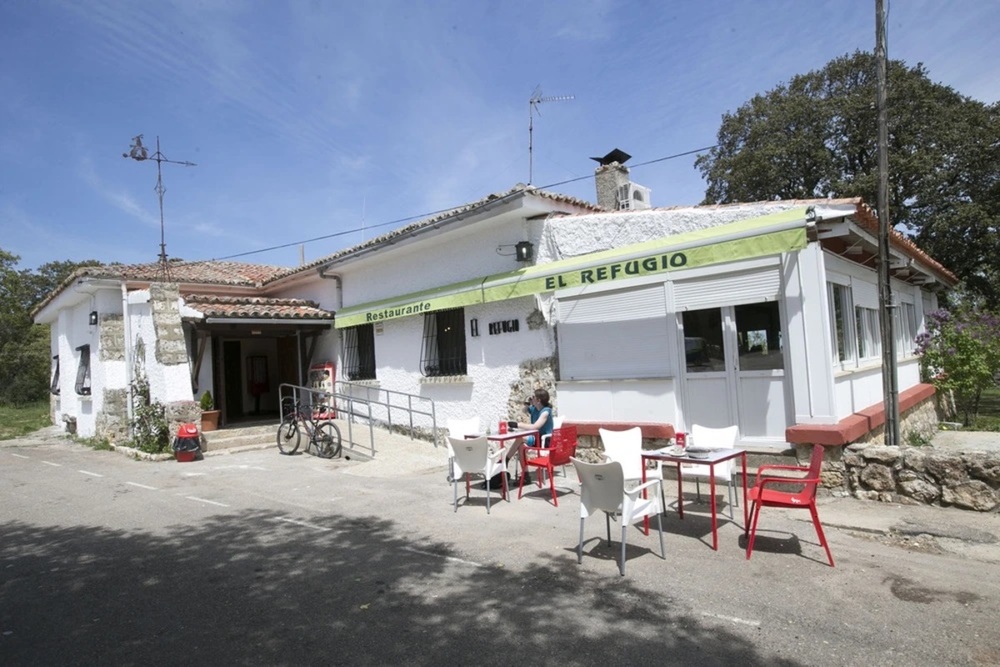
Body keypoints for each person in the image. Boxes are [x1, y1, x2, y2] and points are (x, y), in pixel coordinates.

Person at [507, 388, 554, 484]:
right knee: (521, 446)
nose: (532, 398)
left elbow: (535, 427)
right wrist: (527, 403)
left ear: (538, 400)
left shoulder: (545, 411)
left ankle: (505, 460)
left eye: (533, 397)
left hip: (544, 440)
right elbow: (524, 411)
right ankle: (525, 476)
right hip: (536, 438)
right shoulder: (535, 409)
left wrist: (517, 425)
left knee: (520, 438)